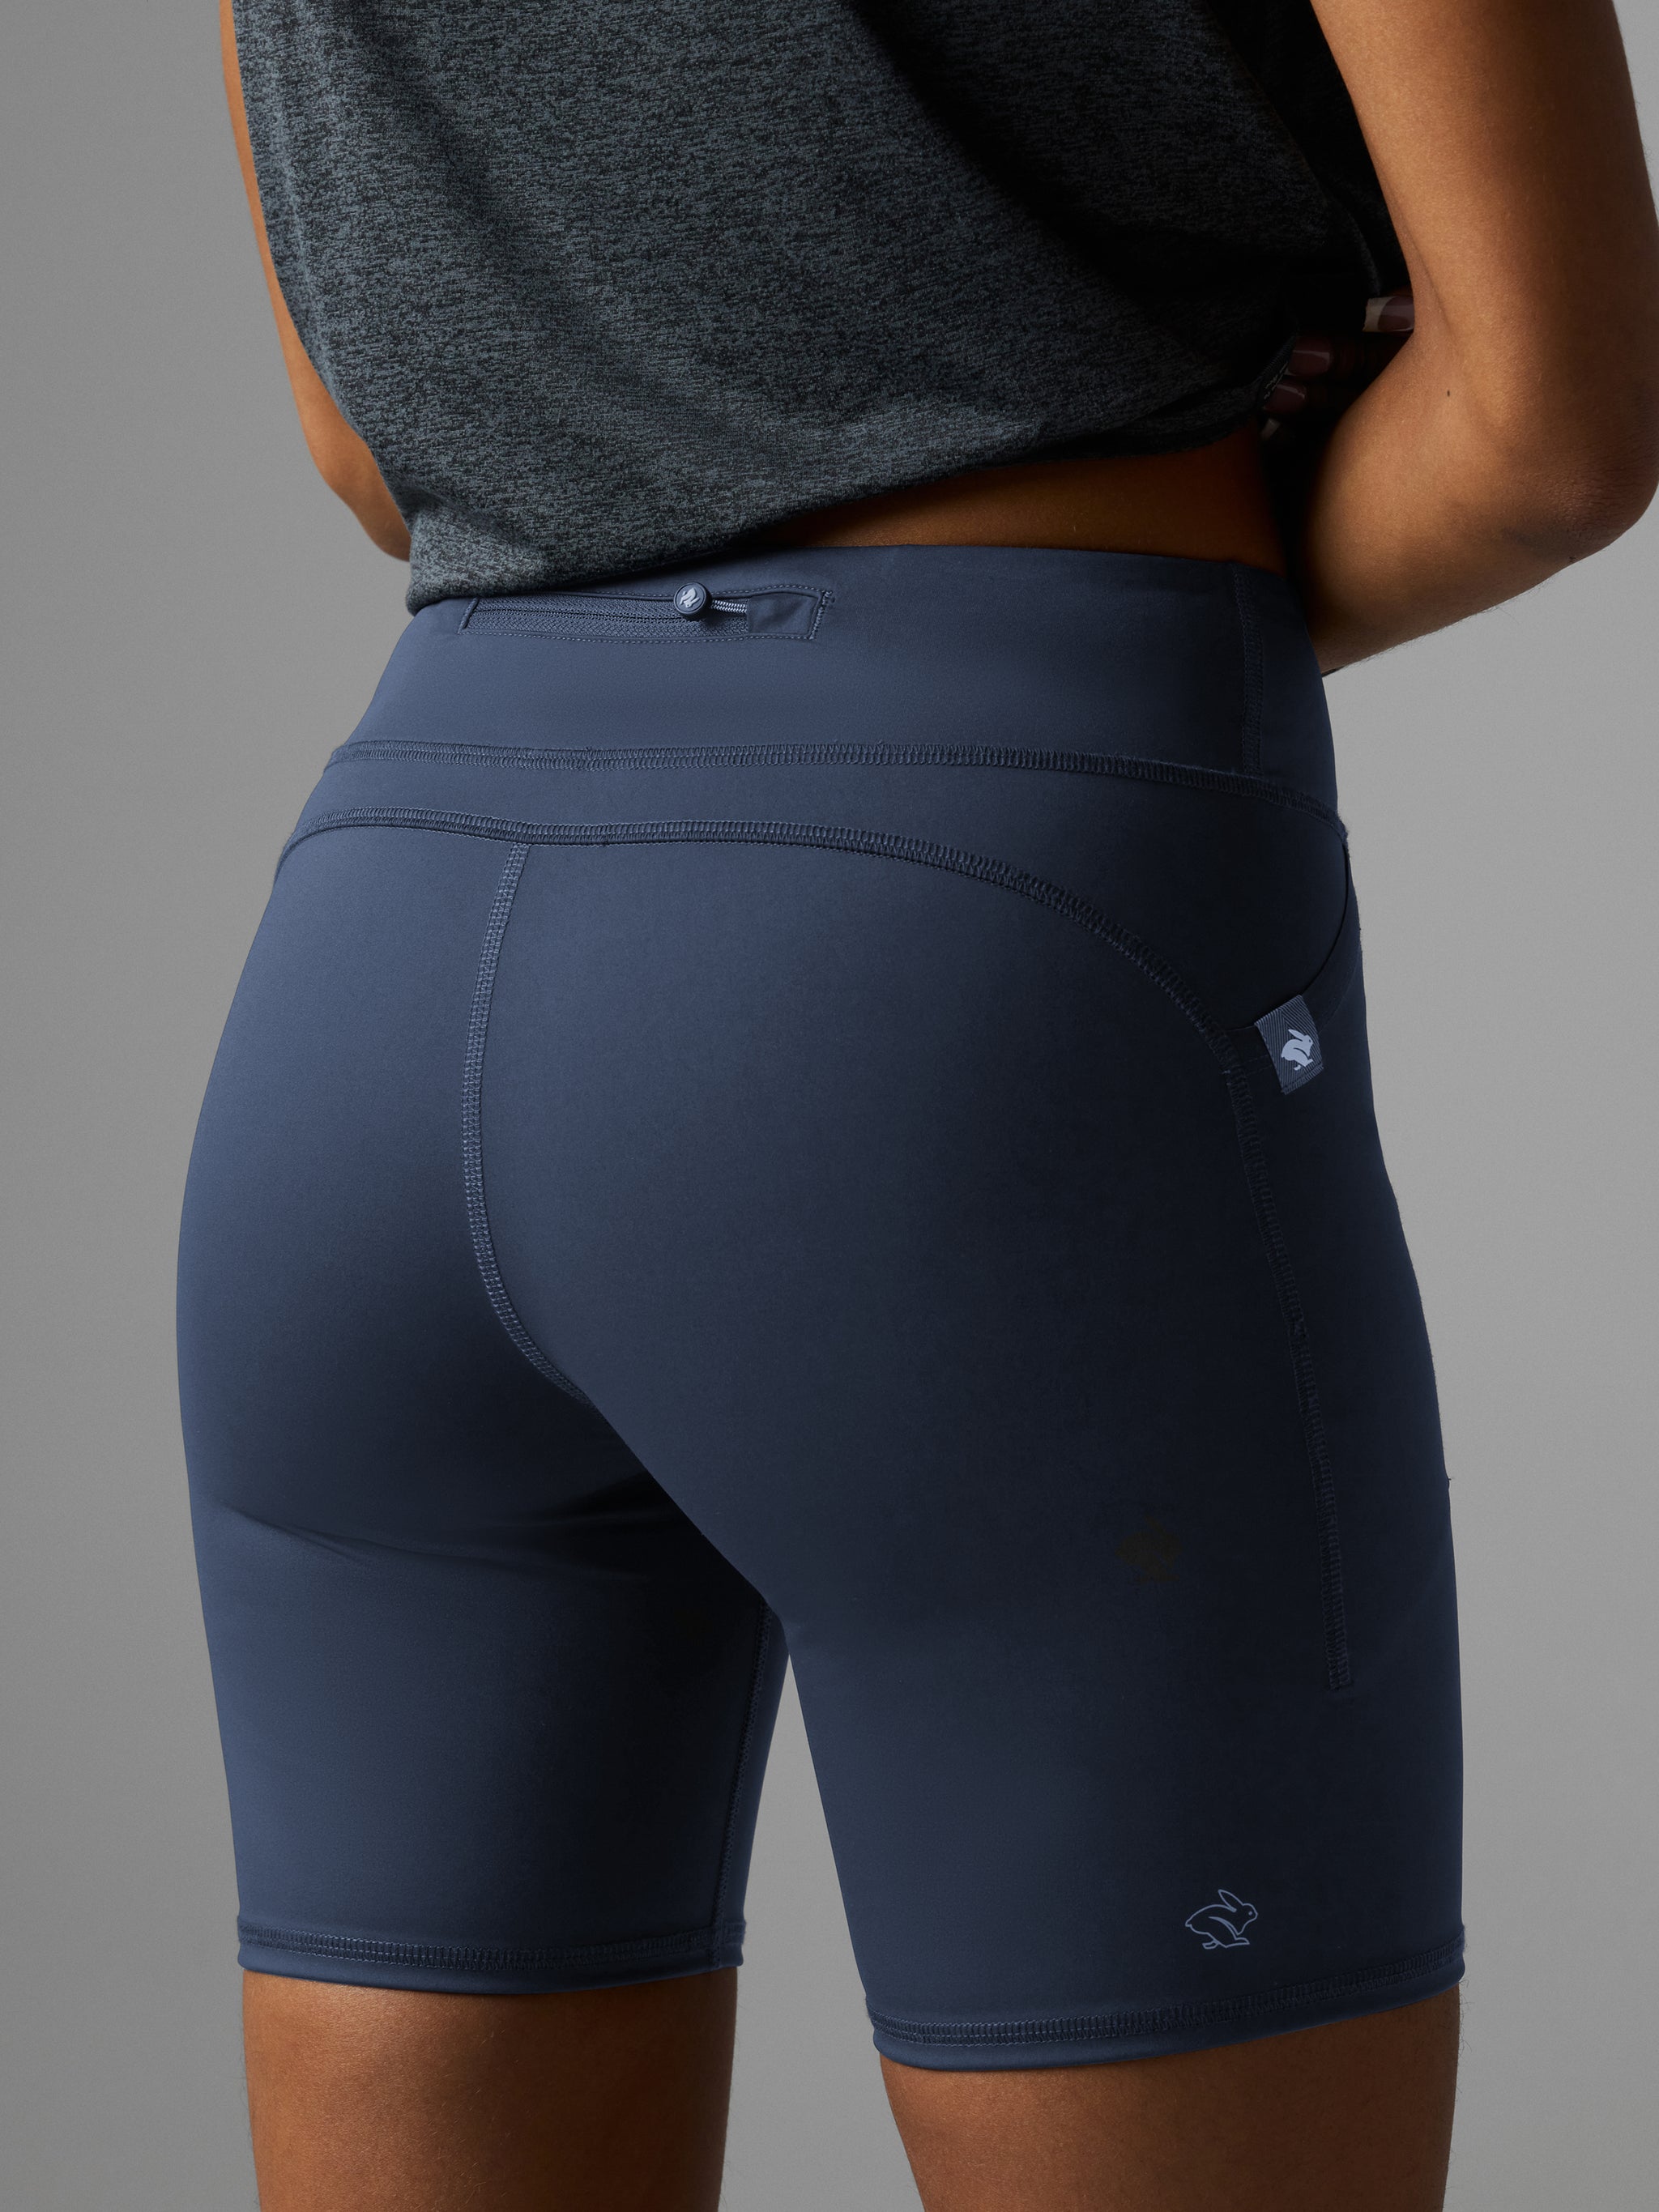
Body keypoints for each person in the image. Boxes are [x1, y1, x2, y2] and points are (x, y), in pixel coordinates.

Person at [180, 3, 1659, 2207]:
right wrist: (1080, 636)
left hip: (379, 960)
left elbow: (361, 427)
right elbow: (1547, 427)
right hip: (976, 972)